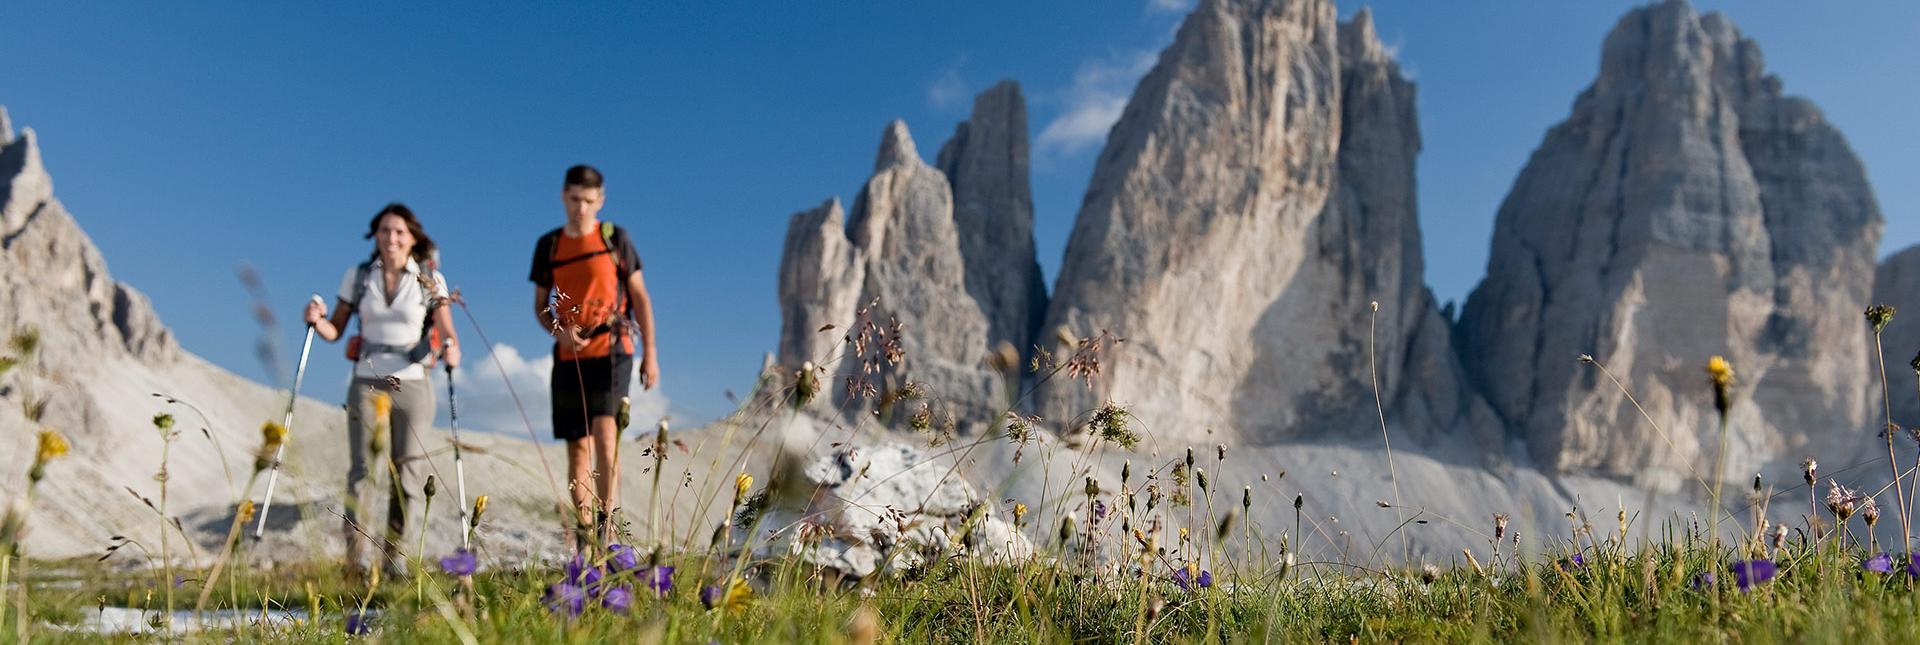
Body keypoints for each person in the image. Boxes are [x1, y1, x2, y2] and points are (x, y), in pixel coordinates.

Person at [303, 202, 460, 578]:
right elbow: (334, 330)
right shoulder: (359, 277)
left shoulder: (428, 279)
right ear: (376, 236)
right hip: (366, 379)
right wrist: (316, 320)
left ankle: (395, 557)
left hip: (413, 380)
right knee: (362, 470)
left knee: (406, 471)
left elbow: (447, 329)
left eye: (399, 232)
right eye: (385, 231)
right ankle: (355, 558)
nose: (391, 238)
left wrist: (451, 346)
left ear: (412, 239)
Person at [528, 164, 659, 551]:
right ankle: (585, 539)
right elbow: (540, 307)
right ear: (562, 197)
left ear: (600, 200)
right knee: (577, 446)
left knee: (606, 436)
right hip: (568, 356)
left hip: (613, 348)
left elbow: (640, 297)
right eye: (573, 200)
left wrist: (651, 354)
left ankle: (608, 531)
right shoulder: (549, 245)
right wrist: (560, 332)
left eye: (588, 201)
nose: (580, 208)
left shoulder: (615, 239)